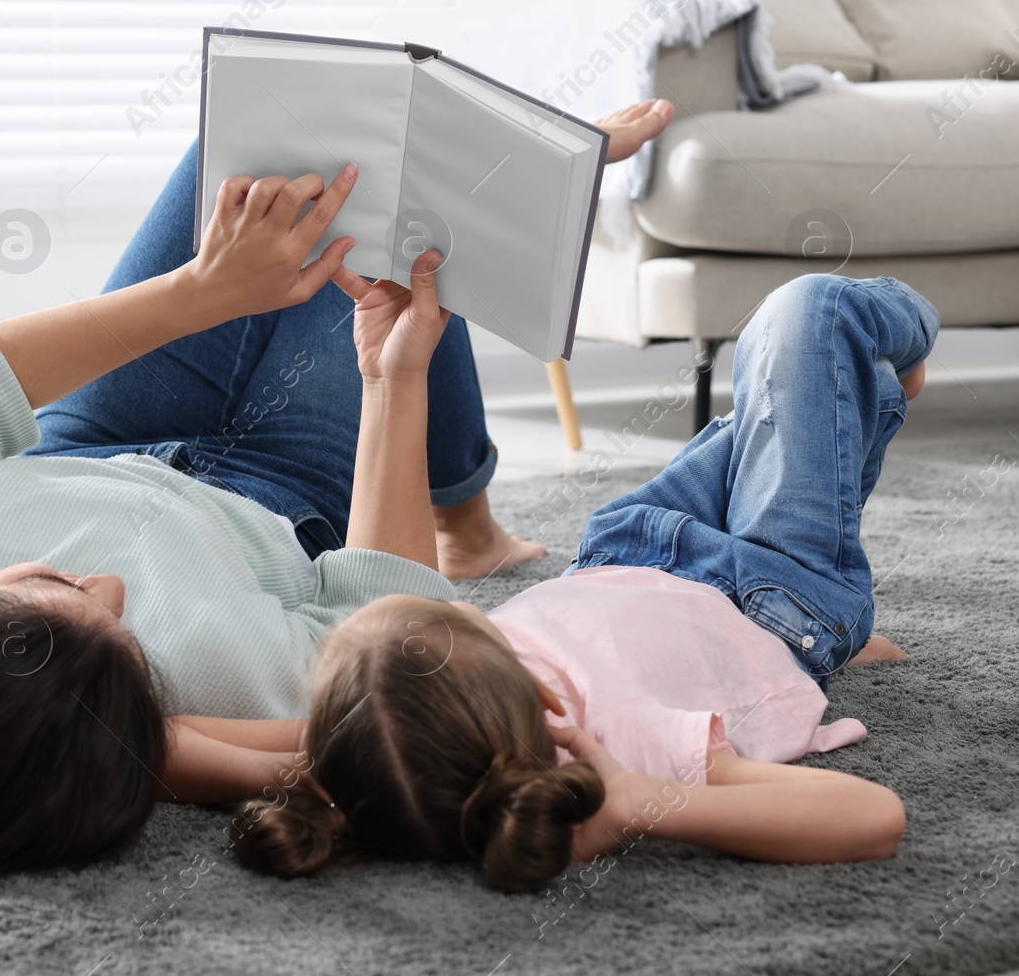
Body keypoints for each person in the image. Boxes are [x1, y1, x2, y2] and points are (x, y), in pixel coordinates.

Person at [0, 100, 677, 874]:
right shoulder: (238, 698)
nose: (112, 589)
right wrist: (387, 377)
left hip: (89, 428)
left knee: (257, 150)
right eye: (128, 646)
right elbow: (392, 602)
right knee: (394, 248)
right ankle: (468, 501)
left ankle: (473, 504)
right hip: (271, 492)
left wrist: (201, 291)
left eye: (63, 598)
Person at [231, 268, 933, 892]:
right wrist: (631, 801)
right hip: (771, 598)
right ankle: (876, 401)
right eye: (457, 614)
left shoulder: (381, 741)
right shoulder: (621, 749)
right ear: (530, 687)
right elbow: (875, 817)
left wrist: (313, 770)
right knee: (811, 314)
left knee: (798, 392)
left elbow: (174, 738)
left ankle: (863, 398)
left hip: (628, 545)